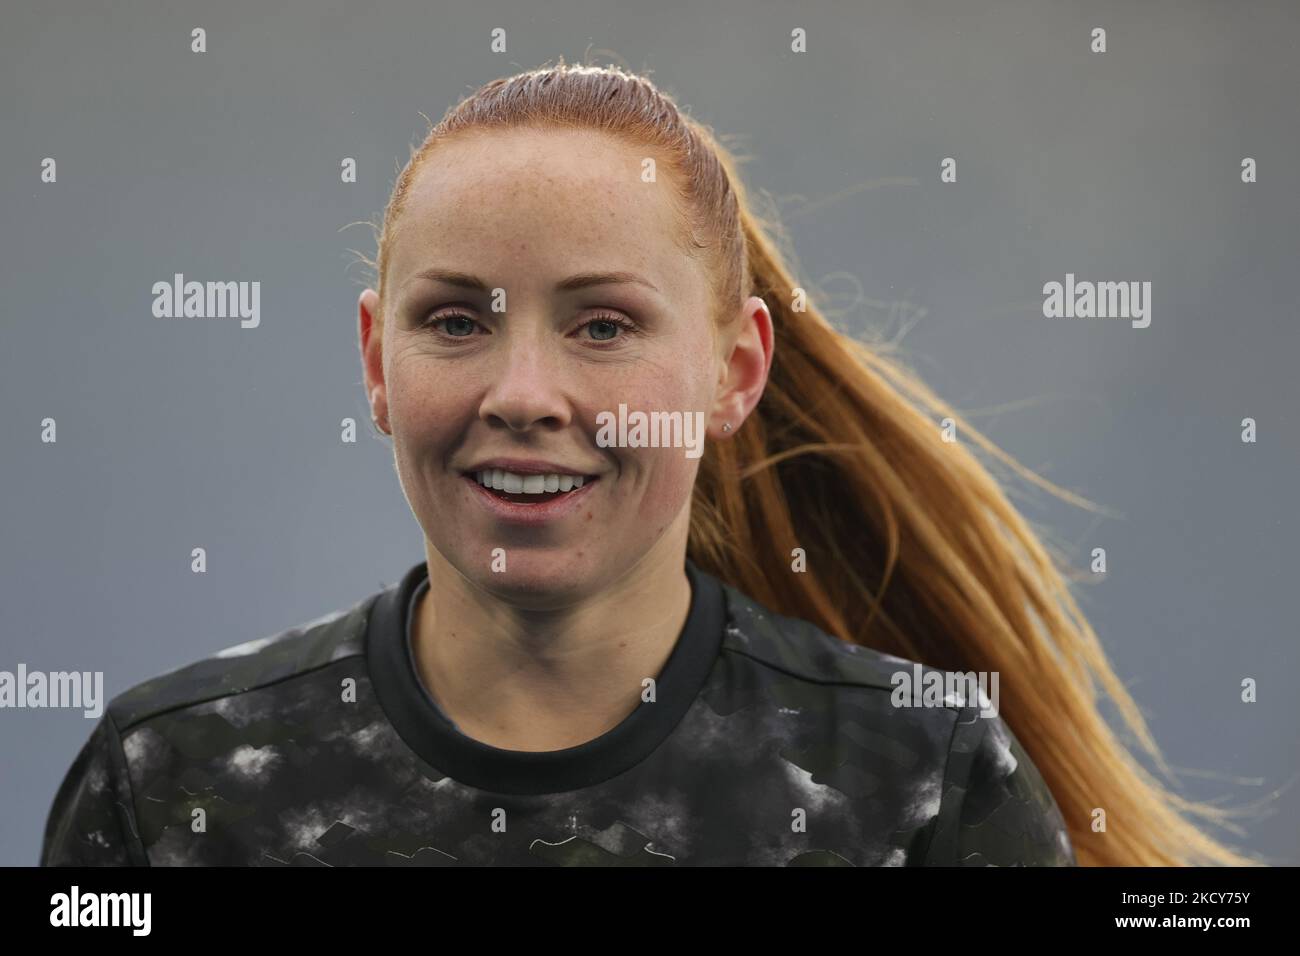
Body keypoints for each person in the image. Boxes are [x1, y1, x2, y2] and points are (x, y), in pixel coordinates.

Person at [42, 60, 1255, 866]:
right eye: (456, 320)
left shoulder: (920, 784)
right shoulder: (170, 780)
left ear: (734, 370)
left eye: (602, 326)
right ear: (375, 357)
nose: (523, 395)